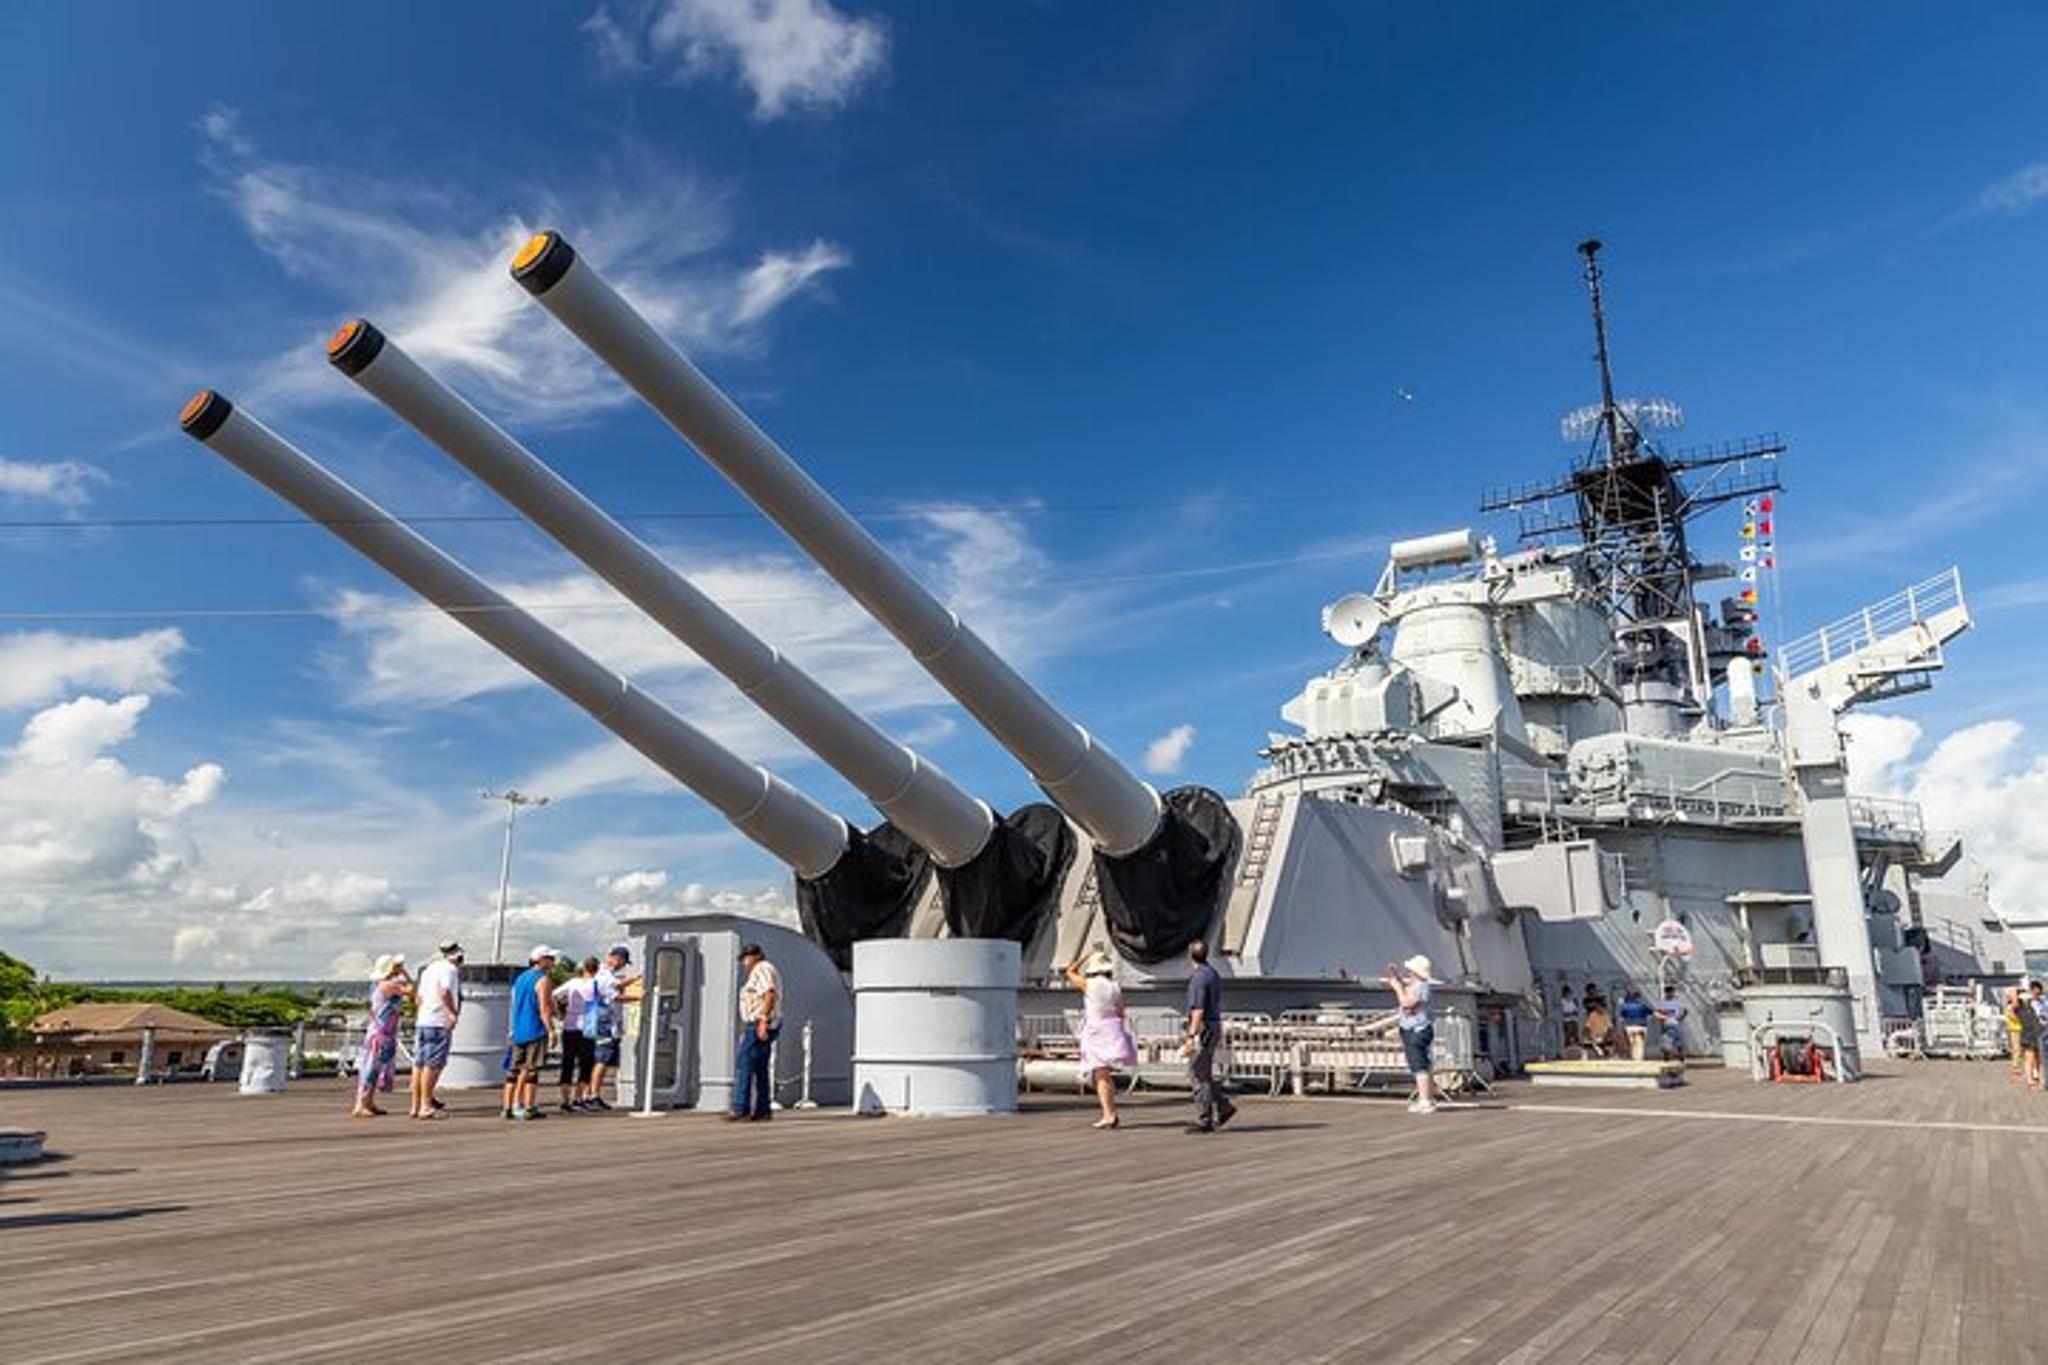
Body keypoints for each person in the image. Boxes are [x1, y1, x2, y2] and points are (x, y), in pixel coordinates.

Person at [1065, 948, 1137, 1130]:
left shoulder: (1089, 984)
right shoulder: (1115, 986)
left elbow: (1069, 972)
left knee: (1100, 1073)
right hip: (1112, 1030)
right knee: (1104, 1074)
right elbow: (1120, 1012)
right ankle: (1109, 1112)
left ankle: (1109, 1115)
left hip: (1096, 1031)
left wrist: (1085, 957)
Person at [1180, 940, 1235, 1134]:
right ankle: (1223, 1106)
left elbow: (1198, 1010)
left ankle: (1204, 1119)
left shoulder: (1198, 979)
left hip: (1203, 1029)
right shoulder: (1212, 974)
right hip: (1213, 1026)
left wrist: (1191, 1036)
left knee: (1197, 1075)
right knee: (1205, 1073)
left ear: (1190, 956)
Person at [503, 945, 558, 1121]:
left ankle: (507, 1107)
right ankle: (528, 1106)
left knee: (514, 1071)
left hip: (518, 1029)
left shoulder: (520, 979)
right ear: (541, 960)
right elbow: (544, 1007)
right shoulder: (542, 980)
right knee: (532, 1070)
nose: (553, 962)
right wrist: (551, 1030)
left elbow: (513, 1004)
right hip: (534, 1029)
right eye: (550, 958)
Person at [354, 954, 412, 1119]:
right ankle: (361, 1104)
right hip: (381, 1033)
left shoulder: (377, 984)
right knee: (371, 1069)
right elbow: (411, 990)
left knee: (375, 1068)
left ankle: (368, 1102)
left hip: (381, 1031)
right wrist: (405, 973)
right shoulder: (388, 985)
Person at [410, 940, 463, 1120]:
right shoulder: (450, 969)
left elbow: (418, 998)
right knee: (433, 1065)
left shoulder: (428, 970)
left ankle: (416, 1105)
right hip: (438, 1021)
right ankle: (426, 1105)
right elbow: (444, 991)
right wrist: (452, 1013)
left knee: (419, 1064)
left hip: (423, 1020)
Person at [730, 942, 782, 1122]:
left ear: (755, 956)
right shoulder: (765, 969)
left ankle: (740, 1108)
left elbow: (769, 994)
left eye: (745, 958)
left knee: (744, 1063)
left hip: (759, 1022)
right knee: (760, 1067)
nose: (744, 962)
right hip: (764, 1022)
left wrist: (763, 1021)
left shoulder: (761, 969)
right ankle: (762, 1109)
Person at [586, 944, 635, 1110]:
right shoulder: (605, 976)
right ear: (616, 958)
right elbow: (615, 996)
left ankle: (591, 1094)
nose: (623, 965)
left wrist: (635, 979)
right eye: (623, 962)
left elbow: (617, 985)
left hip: (602, 1020)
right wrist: (639, 998)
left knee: (601, 1059)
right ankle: (593, 1096)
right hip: (605, 1022)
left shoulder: (605, 974)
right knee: (602, 1059)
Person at [1389, 955, 1437, 1113]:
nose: (1408, 973)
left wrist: (1397, 987)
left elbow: (1406, 1002)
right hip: (1415, 1028)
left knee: (1419, 1066)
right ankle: (1427, 1098)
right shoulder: (1419, 985)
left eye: (1411, 970)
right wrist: (1397, 980)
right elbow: (1408, 992)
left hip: (1417, 1029)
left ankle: (1425, 1101)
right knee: (1423, 1064)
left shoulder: (1422, 986)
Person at [553, 957, 601, 1113]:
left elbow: (553, 994)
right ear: (596, 969)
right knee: (586, 1064)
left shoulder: (572, 983)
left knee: (568, 1063)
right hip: (588, 1026)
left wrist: (559, 1012)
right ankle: (578, 1098)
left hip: (569, 1025)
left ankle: (565, 1101)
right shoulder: (596, 984)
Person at [2021, 983, 2045, 1092]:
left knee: (2040, 1058)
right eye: (2035, 991)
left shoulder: (2042, 1003)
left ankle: (2040, 1078)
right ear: (2031, 991)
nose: (2037, 994)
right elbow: (2013, 997)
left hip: (2041, 1032)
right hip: (2029, 1033)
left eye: (2039, 992)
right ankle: (2029, 1080)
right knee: (2029, 1058)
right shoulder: (2025, 1003)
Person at [1619, 988, 1654, 1061]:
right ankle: (1639, 1058)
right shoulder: (1642, 1006)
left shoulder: (1625, 1006)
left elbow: (1622, 1018)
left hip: (1629, 1027)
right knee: (1641, 1044)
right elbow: (1651, 1013)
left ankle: (1633, 1057)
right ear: (1638, 997)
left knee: (1631, 1044)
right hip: (1641, 1026)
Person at [1558, 983, 1581, 1050]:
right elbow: (1562, 1013)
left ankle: (1576, 1048)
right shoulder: (1562, 1002)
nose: (1569, 995)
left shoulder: (1574, 1001)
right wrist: (1569, 1013)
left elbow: (1576, 1011)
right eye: (1567, 993)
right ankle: (1567, 1048)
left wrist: (1572, 1013)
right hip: (1567, 1021)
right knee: (1568, 1035)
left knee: (1575, 1035)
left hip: (1574, 1020)